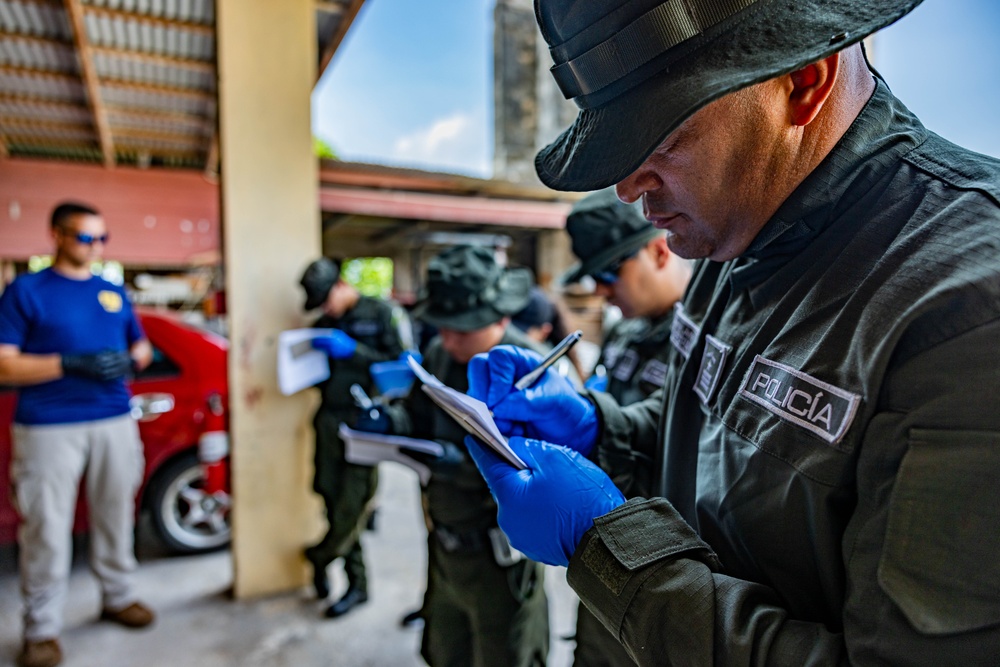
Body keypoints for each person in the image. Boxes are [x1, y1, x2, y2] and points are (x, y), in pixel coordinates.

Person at [464, 0, 1000, 665]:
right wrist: (602, 429)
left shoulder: (969, 307)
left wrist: (608, 555)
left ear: (802, 82)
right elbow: (709, 426)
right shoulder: (734, 233)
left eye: (660, 133)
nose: (629, 185)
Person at [367, 245, 550, 667]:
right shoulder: (439, 355)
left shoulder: (532, 371)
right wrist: (386, 421)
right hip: (445, 547)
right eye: (442, 327)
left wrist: (463, 467)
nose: (448, 340)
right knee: (446, 651)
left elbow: (543, 474)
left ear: (500, 317)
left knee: (506, 656)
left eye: (462, 330)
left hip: (500, 558)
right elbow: (415, 415)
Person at [0, 202, 155, 667]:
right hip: (49, 423)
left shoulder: (112, 292)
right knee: (46, 527)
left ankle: (117, 595)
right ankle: (41, 629)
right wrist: (66, 364)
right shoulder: (26, 291)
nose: (94, 248)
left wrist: (130, 361)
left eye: (101, 239)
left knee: (116, 513)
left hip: (112, 417)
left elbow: (141, 346)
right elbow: (4, 361)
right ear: (57, 235)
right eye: (85, 238)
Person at [559, 188, 692, 667]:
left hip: (667, 558)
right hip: (604, 541)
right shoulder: (623, 330)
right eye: (593, 276)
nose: (601, 290)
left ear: (659, 249)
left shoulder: (703, 337)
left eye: (610, 272)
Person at [298, 257, 412, 619]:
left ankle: (320, 556)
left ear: (343, 284)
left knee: (353, 504)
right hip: (328, 419)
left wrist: (354, 351)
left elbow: (400, 367)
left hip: (366, 422)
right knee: (331, 498)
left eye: (327, 299)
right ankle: (354, 582)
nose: (326, 309)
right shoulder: (322, 325)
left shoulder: (380, 313)